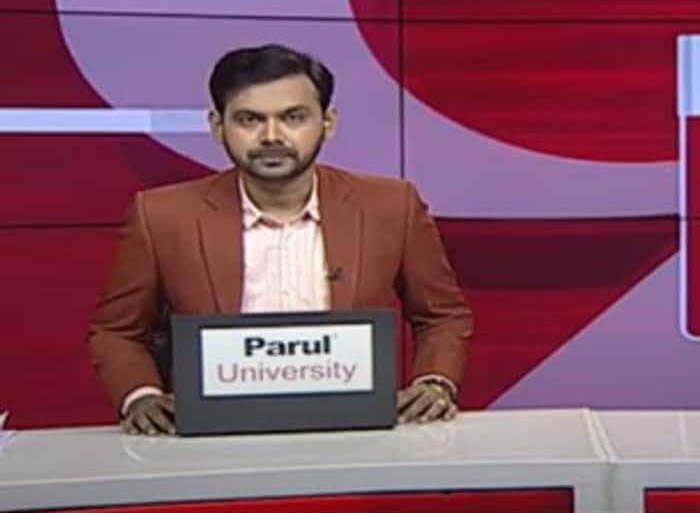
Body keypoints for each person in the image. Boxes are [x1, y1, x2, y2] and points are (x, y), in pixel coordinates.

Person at [87, 44, 473, 435]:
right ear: (217, 126)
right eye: (249, 120)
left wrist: (435, 381)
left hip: (355, 431)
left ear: (328, 122)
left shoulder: (391, 206)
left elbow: (442, 314)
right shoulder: (162, 215)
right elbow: (116, 331)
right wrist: (141, 396)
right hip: (213, 436)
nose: (271, 136)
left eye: (293, 117)